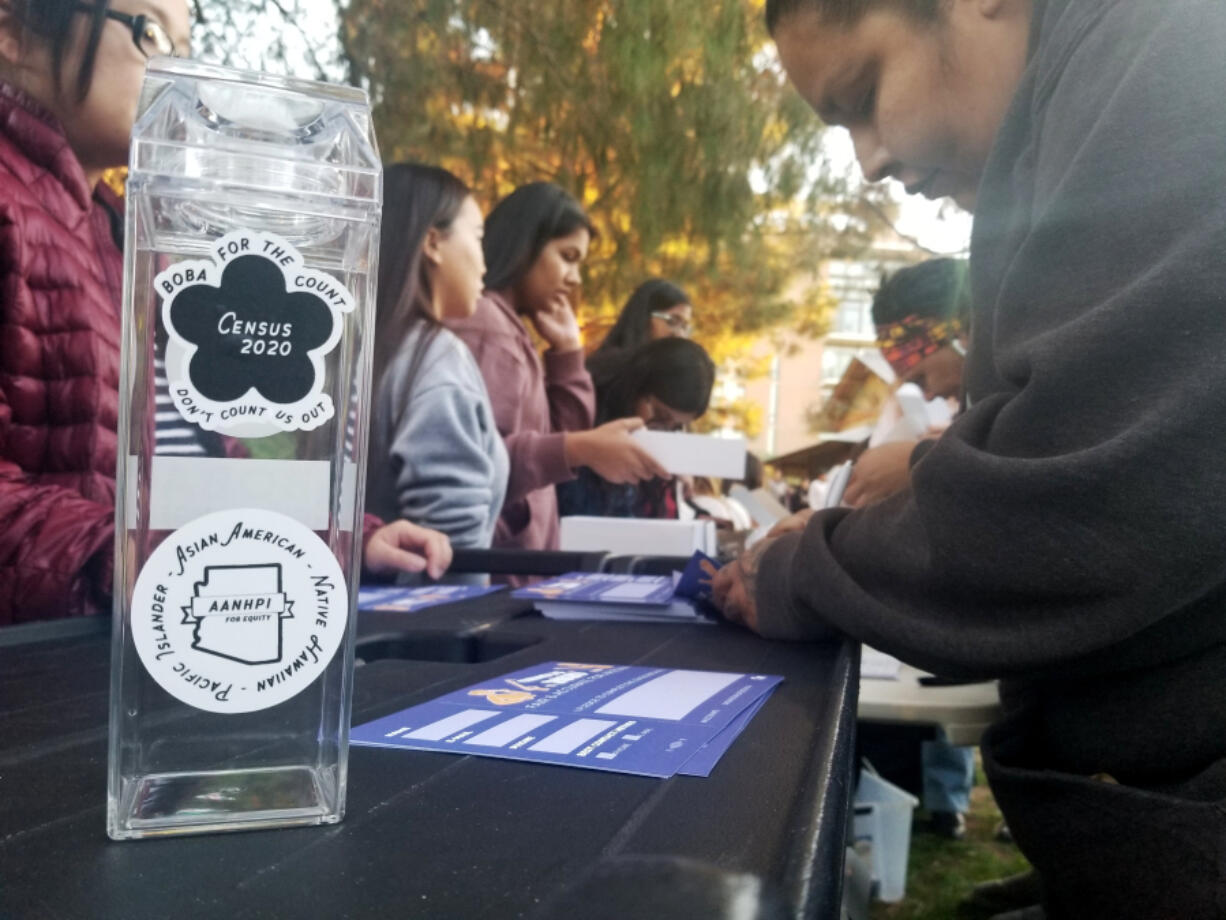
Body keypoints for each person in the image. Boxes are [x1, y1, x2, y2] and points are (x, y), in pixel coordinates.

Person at [714, 1, 1226, 917]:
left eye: (865, 94)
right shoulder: (1061, 130)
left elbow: (1089, 497)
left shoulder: (1177, 50)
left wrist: (802, 568)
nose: (868, 160)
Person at [0, 1, 449, 626]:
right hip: (59, 669)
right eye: (150, 34)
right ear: (13, 32)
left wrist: (341, 535)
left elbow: (211, 443)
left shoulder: (123, 230)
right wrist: (138, 556)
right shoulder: (13, 204)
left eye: (185, 51)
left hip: (167, 618)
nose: (177, 79)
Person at [448, 182, 666, 557]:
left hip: (515, 563)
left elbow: (557, 443)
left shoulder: (507, 328)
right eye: (567, 256)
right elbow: (481, 462)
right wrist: (578, 448)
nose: (575, 278)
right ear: (524, 244)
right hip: (500, 566)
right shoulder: (487, 327)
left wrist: (567, 353)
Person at [365, 163, 509, 563]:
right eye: (478, 238)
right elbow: (448, 553)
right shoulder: (437, 359)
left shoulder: (355, 350)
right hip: (420, 618)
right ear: (432, 242)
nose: (484, 264)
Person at [558, 337, 715, 518]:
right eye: (660, 415)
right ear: (636, 385)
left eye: (675, 427)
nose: (659, 430)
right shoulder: (580, 409)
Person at [591, 278, 694, 355]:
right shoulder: (607, 372)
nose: (680, 335)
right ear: (644, 317)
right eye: (672, 321)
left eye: (684, 326)